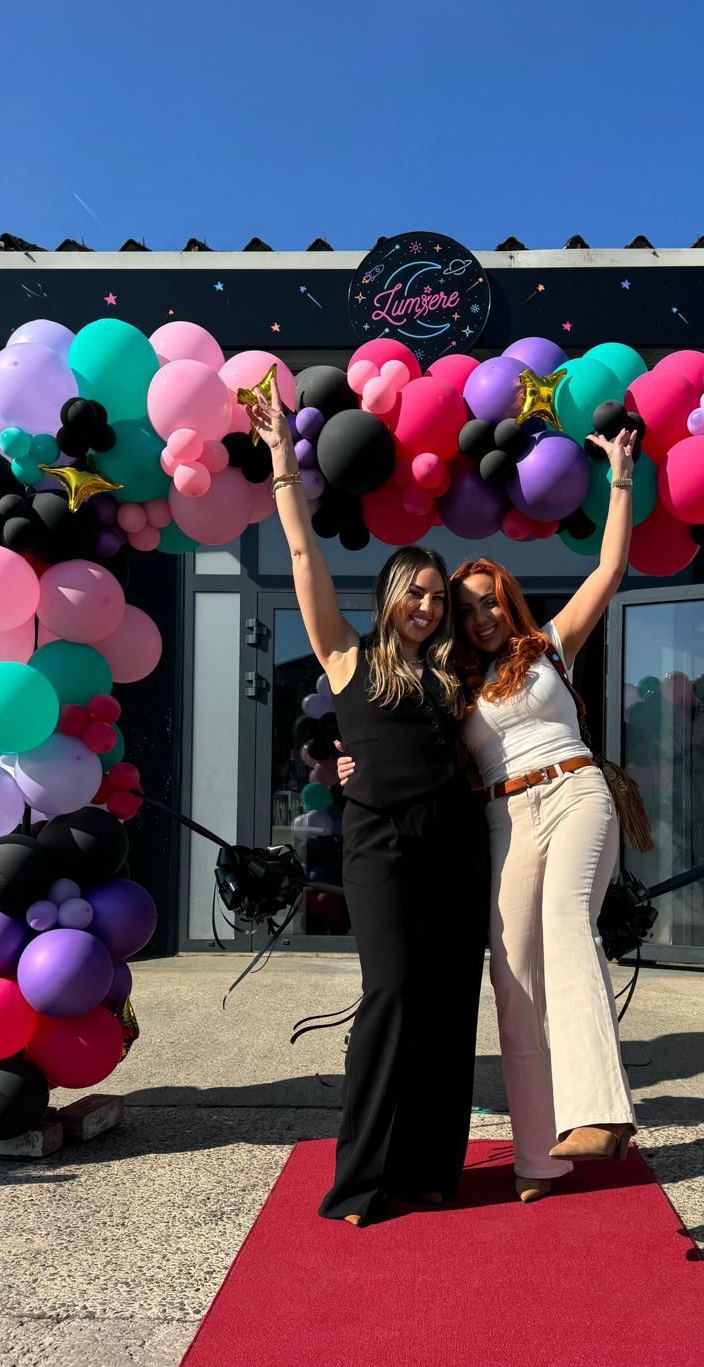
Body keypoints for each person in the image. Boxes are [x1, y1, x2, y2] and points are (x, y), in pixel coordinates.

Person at [342, 429, 641, 1204]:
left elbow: (608, 570)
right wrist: (349, 765)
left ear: (509, 604)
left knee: (568, 923)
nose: (477, 618)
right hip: (506, 818)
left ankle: (600, 1110)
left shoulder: (551, 650)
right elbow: (407, 750)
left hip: (574, 792)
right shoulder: (452, 687)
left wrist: (619, 481)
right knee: (510, 977)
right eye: (462, 608)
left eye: (487, 604)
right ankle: (541, 1157)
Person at [249, 392, 488, 1227]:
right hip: (379, 845)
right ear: (390, 595)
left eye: (436, 596)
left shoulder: (456, 673)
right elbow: (304, 557)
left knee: (453, 999)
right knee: (390, 993)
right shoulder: (347, 656)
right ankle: (362, 1180)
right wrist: (284, 465)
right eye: (414, 593)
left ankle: (430, 1169)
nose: (427, 605)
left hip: (456, 847)